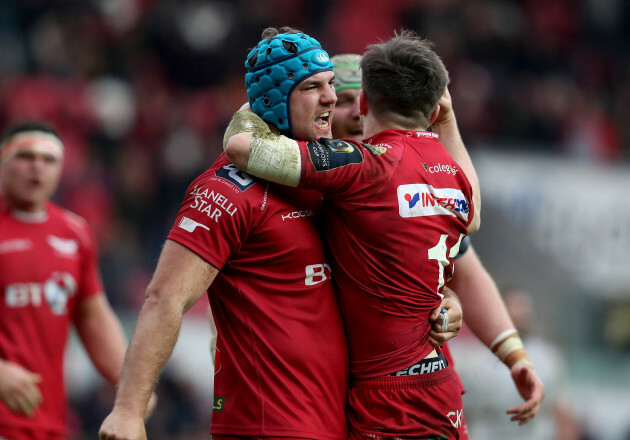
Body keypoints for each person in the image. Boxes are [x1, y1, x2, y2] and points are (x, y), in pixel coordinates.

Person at [225, 29, 483, 439]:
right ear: (434, 111)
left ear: (363, 104)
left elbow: (242, 147)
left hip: (389, 397)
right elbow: (472, 218)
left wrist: (269, 85)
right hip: (440, 388)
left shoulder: (365, 165)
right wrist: (448, 122)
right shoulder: (452, 173)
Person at [99, 27, 352, 440]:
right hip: (268, 426)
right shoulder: (225, 190)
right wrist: (129, 410)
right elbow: (165, 299)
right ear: (273, 100)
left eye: (331, 85)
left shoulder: (327, 178)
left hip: (338, 423)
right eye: (311, 87)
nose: (330, 98)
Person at [330, 53, 546, 434]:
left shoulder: (407, 187)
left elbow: (467, 273)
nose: (351, 113)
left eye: (356, 99)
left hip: (405, 394)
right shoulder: (298, 189)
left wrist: (513, 355)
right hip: (318, 392)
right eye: (339, 101)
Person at [0, 120, 147, 440]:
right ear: (3, 161)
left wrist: (133, 389)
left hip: (47, 418)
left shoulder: (75, 233)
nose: (37, 167)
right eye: (26, 156)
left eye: (48, 159)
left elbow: (93, 316)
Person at [453, 288, 581, 440]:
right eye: (513, 310)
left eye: (523, 311)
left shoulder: (547, 359)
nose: (518, 317)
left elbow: (563, 416)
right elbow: (457, 415)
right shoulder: (473, 360)